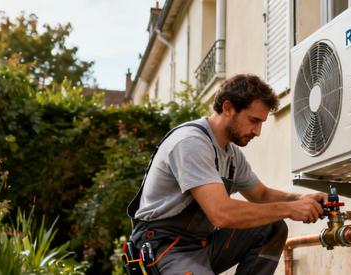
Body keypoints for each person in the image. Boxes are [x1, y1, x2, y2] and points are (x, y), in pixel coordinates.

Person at [127, 74, 327, 275]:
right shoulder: (190, 143)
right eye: (253, 120)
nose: (257, 131)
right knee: (272, 216)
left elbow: (261, 195)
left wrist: (301, 199)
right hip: (163, 246)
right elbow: (221, 213)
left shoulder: (231, 156)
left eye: (261, 123)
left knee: (272, 228)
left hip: (201, 243)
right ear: (228, 108)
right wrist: (290, 209)